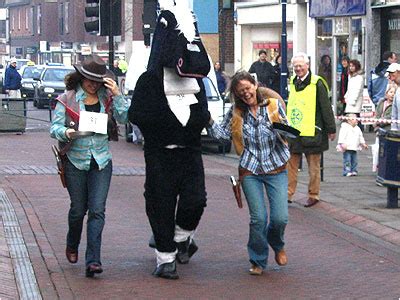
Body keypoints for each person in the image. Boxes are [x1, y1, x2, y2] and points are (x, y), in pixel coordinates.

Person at [129, 4, 210, 280]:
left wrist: (194, 125)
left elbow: (203, 114)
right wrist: (165, 128)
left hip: (190, 153)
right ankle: (165, 259)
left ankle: (179, 238)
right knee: (160, 205)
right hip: (160, 155)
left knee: (196, 201)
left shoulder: (196, 83)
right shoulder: (149, 81)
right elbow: (136, 114)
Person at [50, 55, 129, 278]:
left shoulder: (108, 99)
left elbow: (124, 118)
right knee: (78, 210)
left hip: (101, 161)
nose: (92, 84)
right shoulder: (68, 99)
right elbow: (54, 127)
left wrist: (118, 95)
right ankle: (72, 242)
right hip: (76, 160)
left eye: (97, 80)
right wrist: (67, 132)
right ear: (81, 77)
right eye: (88, 79)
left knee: (97, 210)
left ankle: (93, 260)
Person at [207, 70, 290, 276]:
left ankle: (276, 243)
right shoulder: (236, 112)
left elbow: (288, 130)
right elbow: (222, 135)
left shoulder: (273, 105)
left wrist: (282, 129)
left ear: (254, 84)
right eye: (240, 92)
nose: (245, 94)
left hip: (276, 167)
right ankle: (258, 259)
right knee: (258, 219)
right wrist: (207, 120)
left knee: (280, 218)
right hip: (250, 169)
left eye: (247, 88)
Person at [286, 52, 336, 207]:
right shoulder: (293, 82)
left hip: (313, 131)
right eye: (295, 66)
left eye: (300, 66)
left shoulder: (317, 83)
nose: (298, 69)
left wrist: (331, 128)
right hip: (295, 132)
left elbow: (326, 107)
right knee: (290, 165)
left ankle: (313, 195)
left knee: (313, 166)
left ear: (307, 65)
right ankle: (288, 194)